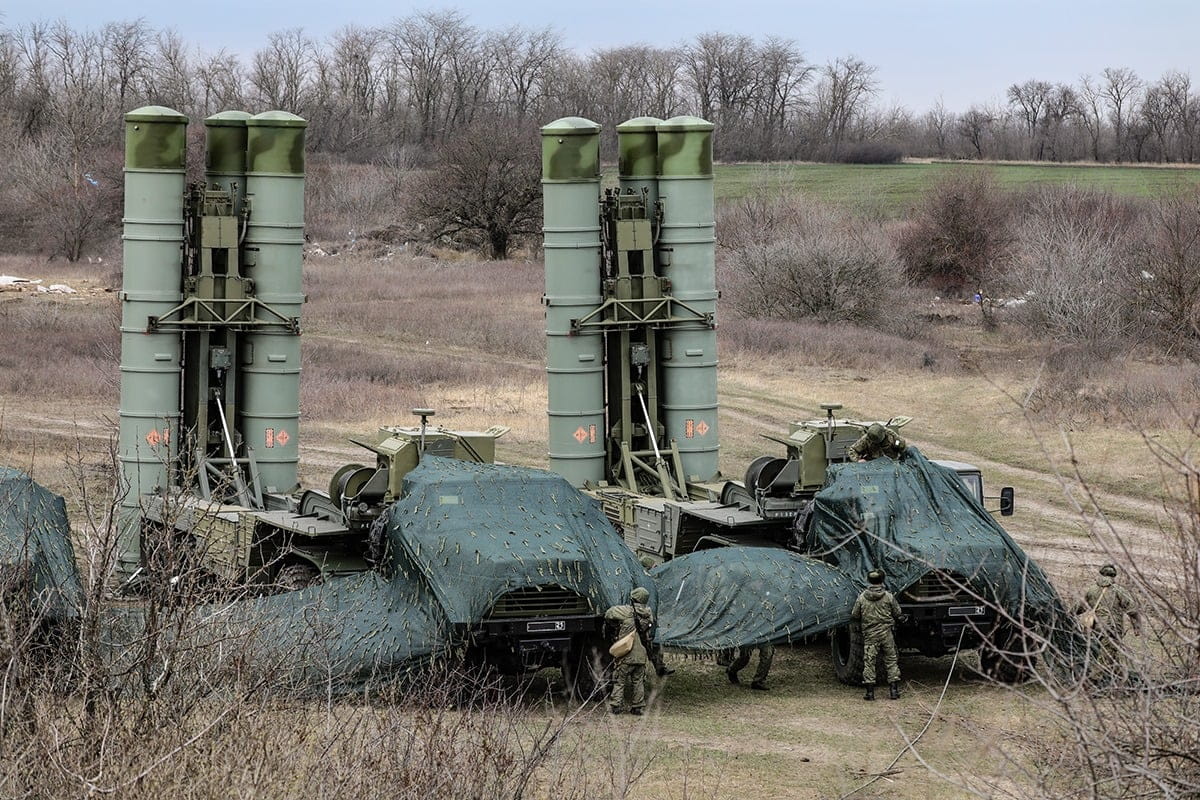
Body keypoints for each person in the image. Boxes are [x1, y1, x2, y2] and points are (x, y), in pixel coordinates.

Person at [1077, 563, 1142, 683]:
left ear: (1101, 574)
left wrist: (1067, 615)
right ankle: (1092, 684)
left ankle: (1120, 681)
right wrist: (1137, 626)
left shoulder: (1092, 590)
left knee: (1109, 654)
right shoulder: (1119, 590)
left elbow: (1079, 607)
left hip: (1096, 628)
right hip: (1112, 628)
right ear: (1113, 576)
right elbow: (1133, 609)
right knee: (1105, 657)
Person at [852, 568, 903, 700]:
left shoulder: (862, 597)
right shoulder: (889, 597)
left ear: (869, 580)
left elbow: (855, 614)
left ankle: (870, 693)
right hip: (887, 633)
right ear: (882, 580)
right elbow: (898, 613)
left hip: (870, 634)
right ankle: (893, 690)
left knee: (869, 661)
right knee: (891, 660)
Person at [605, 586, 654, 715]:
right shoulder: (649, 613)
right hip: (642, 655)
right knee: (638, 682)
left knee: (619, 680)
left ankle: (616, 706)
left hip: (626, 653)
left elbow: (609, 613)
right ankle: (637, 707)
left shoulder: (626, 611)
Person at [638, 555, 675, 677]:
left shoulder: (648, 580)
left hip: (650, 617)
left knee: (655, 644)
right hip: (644, 617)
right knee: (644, 645)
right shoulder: (644, 580)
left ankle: (660, 668)